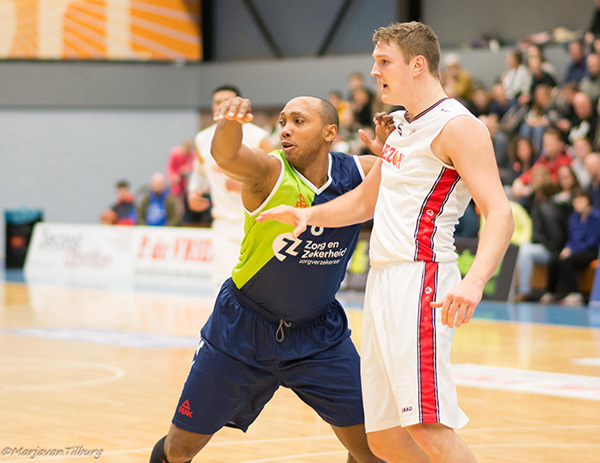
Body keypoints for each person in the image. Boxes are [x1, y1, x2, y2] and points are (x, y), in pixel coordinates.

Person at [258, 21, 514, 463]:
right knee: (384, 438)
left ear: (418, 65)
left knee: (427, 426)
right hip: (383, 282)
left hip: (423, 278)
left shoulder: (458, 126)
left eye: (383, 62)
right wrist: (308, 215)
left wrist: (473, 283)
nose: (374, 71)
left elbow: (501, 212)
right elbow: (364, 201)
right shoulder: (399, 130)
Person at [149, 95, 386, 463]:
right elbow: (227, 157)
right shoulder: (269, 172)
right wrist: (230, 123)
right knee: (178, 450)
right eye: (282, 121)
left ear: (330, 133)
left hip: (318, 334)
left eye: (298, 121)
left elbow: (417, 174)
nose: (286, 128)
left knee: (374, 446)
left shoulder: (361, 172)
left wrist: (393, 152)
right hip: (242, 330)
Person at [188, 85, 275, 289]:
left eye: (228, 101)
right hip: (224, 224)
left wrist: (249, 183)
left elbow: (278, 175)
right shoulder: (202, 139)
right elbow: (199, 171)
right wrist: (193, 192)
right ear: (212, 107)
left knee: (258, 288)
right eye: (218, 102)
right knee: (225, 286)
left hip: (257, 224)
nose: (223, 106)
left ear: (239, 104)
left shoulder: (258, 136)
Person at [540, 187, 600, 305]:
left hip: (591, 251)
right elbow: (571, 238)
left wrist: (573, 250)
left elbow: (592, 241)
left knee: (568, 261)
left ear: (587, 200)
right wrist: (567, 248)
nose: (577, 204)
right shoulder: (573, 218)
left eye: (580, 200)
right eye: (575, 201)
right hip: (575, 250)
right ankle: (551, 292)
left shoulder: (596, 217)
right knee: (555, 259)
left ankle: (574, 293)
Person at [514, 179, 566, 302]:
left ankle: (523, 291)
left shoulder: (541, 208)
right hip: (556, 249)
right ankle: (519, 289)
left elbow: (539, 236)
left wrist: (550, 247)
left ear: (540, 193)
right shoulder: (562, 207)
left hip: (551, 250)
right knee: (524, 248)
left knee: (525, 250)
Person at [166, 139, 196, 222]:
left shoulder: (192, 155)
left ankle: (187, 219)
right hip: (177, 184)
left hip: (186, 184)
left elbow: (194, 164)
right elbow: (170, 168)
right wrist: (173, 177)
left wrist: (188, 168)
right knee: (176, 203)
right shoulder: (175, 153)